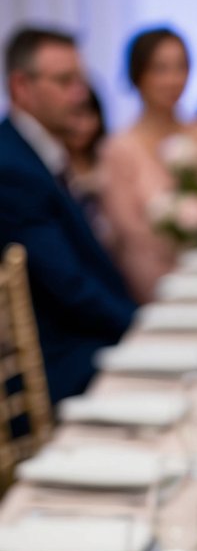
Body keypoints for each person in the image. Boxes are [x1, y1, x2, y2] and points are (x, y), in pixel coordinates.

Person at [0, 27, 135, 403]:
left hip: (79, 343)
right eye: (65, 81)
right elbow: (70, 287)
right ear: (21, 87)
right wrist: (138, 327)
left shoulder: (34, 151)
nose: (79, 94)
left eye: (80, 80)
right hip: (57, 367)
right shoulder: (10, 166)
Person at [99, 26, 197, 303]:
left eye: (181, 67)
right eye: (160, 69)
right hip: (151, 282)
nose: (173, 79)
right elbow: (128, 232)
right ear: (138, 75)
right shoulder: (120, 148)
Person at [64, 83, 108, 238]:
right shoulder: (53, 165)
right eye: (75, 115)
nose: (83, 126)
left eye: (89, 115)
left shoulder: (109, 158)